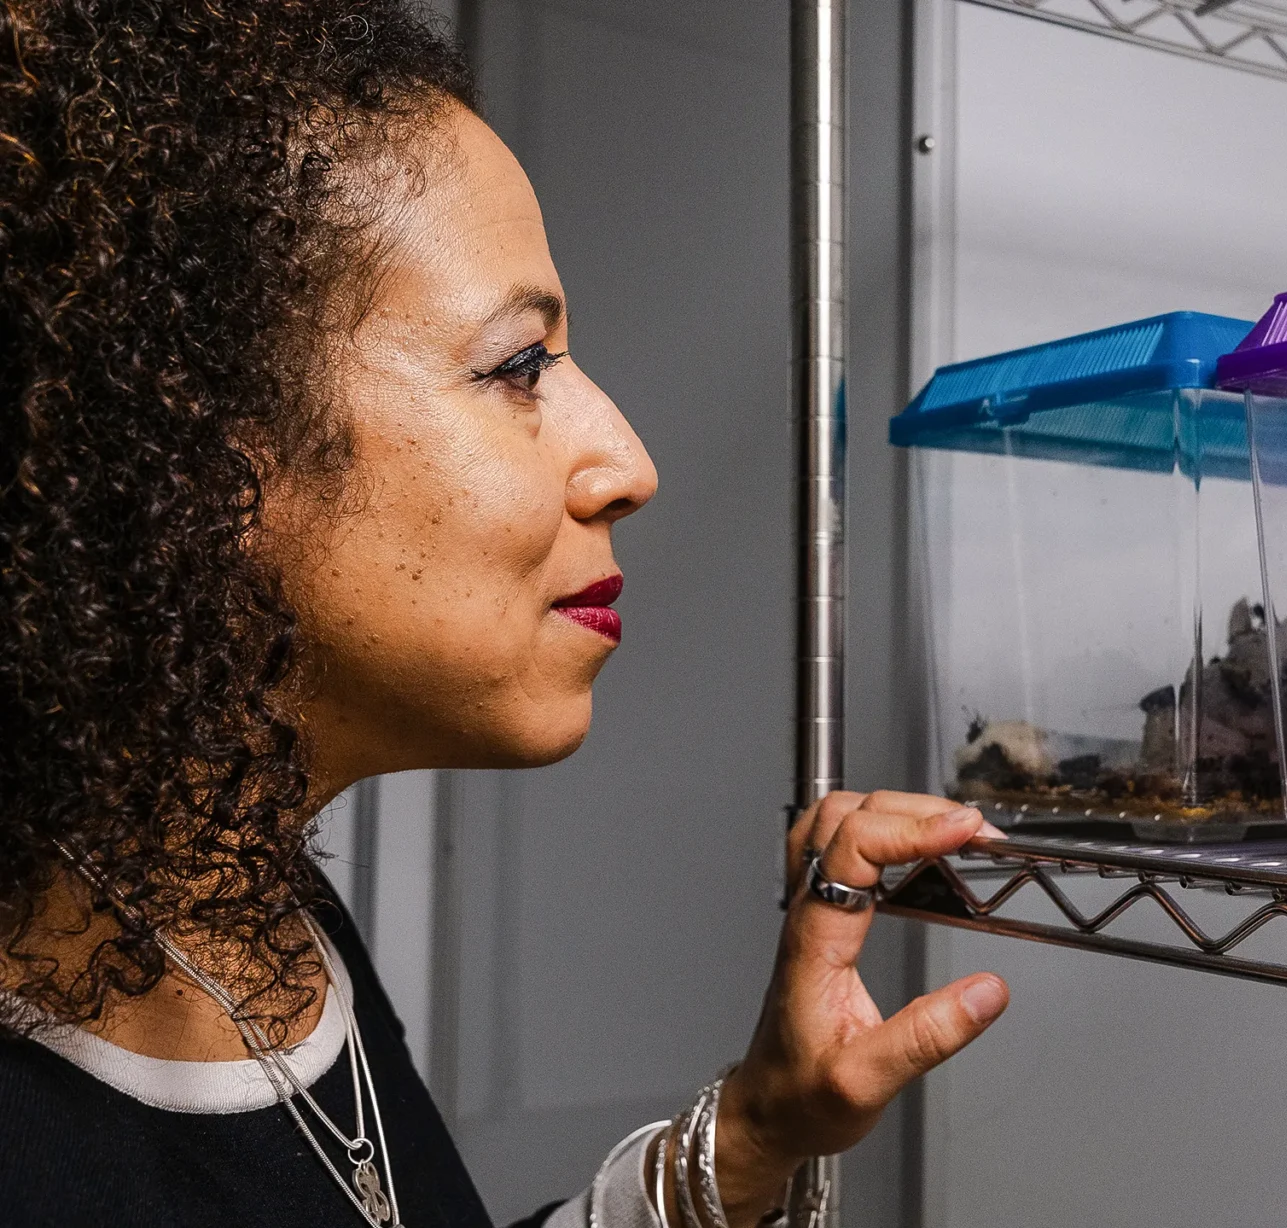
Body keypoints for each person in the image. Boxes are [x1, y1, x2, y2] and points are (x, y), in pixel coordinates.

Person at [0, 3, 1009, 1224]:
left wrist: (746, 1136)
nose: (628, 462)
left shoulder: (257, 917)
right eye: (520, 364)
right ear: (205, 460)